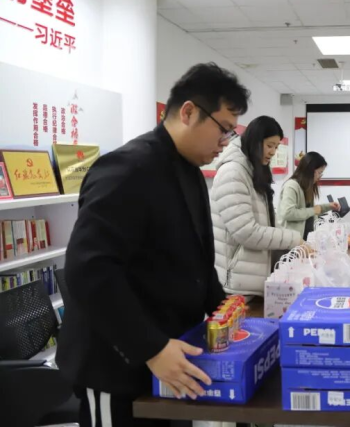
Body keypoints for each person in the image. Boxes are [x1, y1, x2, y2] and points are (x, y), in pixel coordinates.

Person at [57, 63, 249, 426]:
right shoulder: (129, 168)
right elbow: (89, 269)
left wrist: (226, 312)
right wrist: (151, 348)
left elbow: (197, 260)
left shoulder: (189, 171)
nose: (225, 143)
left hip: (170, 358)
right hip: (118, 365)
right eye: (223, 129)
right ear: (189, 112)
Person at [211, 115, 305, 298]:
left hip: (251, 277)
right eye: (269, 145)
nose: (273, 152)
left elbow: (266, 223)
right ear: (255, 141)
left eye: (276, 147)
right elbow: (247, 232)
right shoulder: (233, 173)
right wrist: (294, 239)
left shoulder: (253, 171)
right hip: (236, 285)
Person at [277, 151, 340, 240]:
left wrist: (328, 206)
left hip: (305, 239)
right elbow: (288, 213)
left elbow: (309, 210)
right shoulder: (291, 186)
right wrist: (313, 210)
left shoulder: (306, 186)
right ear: (310, 170)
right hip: (291, 240)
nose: (320, 176)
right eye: (319, 172)